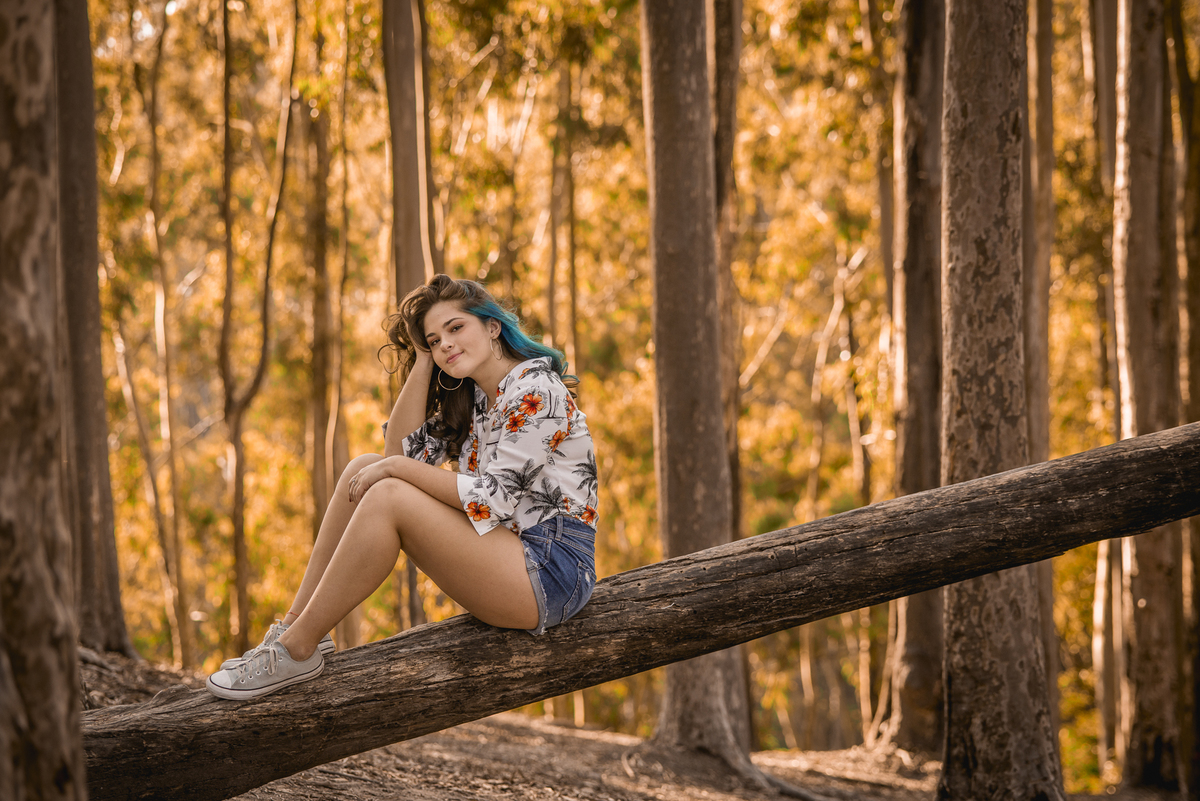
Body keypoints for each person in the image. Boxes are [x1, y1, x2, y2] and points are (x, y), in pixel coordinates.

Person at [207, 274, 599, 699]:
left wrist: (396, 470)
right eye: (434, 339)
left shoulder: (536, 389)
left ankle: (296, 651)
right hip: (509, 552)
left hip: (552, 571)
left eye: (455, 328)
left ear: (492, 327)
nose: (445, 343)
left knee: (389, 491)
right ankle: (296, 627)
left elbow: (493, 498)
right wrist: (423, 360)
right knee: (366, 466)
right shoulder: (480, 401)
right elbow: (398, 452)